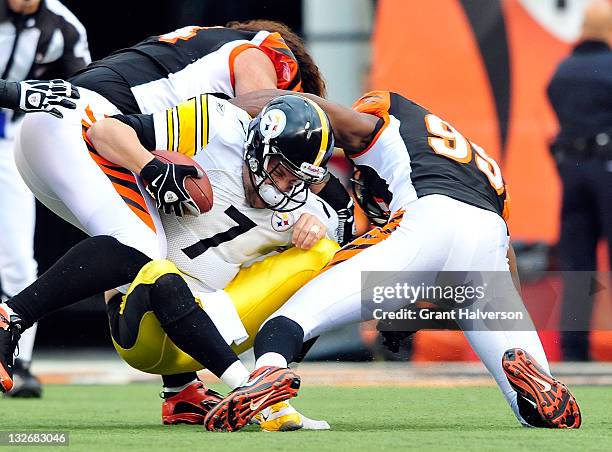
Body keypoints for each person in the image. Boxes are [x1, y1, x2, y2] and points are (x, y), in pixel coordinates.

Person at [0, 19, 351, 398]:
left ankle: (181, 391)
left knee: (149, 253)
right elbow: (253, 115)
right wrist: (327, 193)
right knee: (142, 247)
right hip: (87, 123)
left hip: (58, 127)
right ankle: (12, 316)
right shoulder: (258, 55)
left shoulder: (210, 48)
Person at [201, 89, 583, 432]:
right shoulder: (479, 167)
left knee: (289, 319)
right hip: (489, 235)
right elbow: (497, 284)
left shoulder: (384, 116)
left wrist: (224, 112)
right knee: (530, 405)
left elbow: (308, 110)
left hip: (425, 218)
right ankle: (537, 384)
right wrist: (408, 314)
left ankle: (268, 370)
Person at [89, 92, 342, 430]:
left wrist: (322, 225)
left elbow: (335, 235)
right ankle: (249, 392)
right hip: (144, 330)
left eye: (297, 180)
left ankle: (267, 382)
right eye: (280, 170)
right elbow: (105, 134)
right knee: (160, 273)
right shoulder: (213, 134)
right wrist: (151, 169)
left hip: (213, 321)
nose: (285, 186)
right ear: (257, 148)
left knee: (323, 252)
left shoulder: (305, 208)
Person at [0, 0, 90, 397]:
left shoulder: (62, 25)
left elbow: (87, 90)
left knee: (18, 257)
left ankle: (19, 363)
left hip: (9, 140)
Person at [547, 0, 612, 361]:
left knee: (578, 266)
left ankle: (574, 350)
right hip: (608, 168)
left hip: (572, 172)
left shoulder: (563, 71)